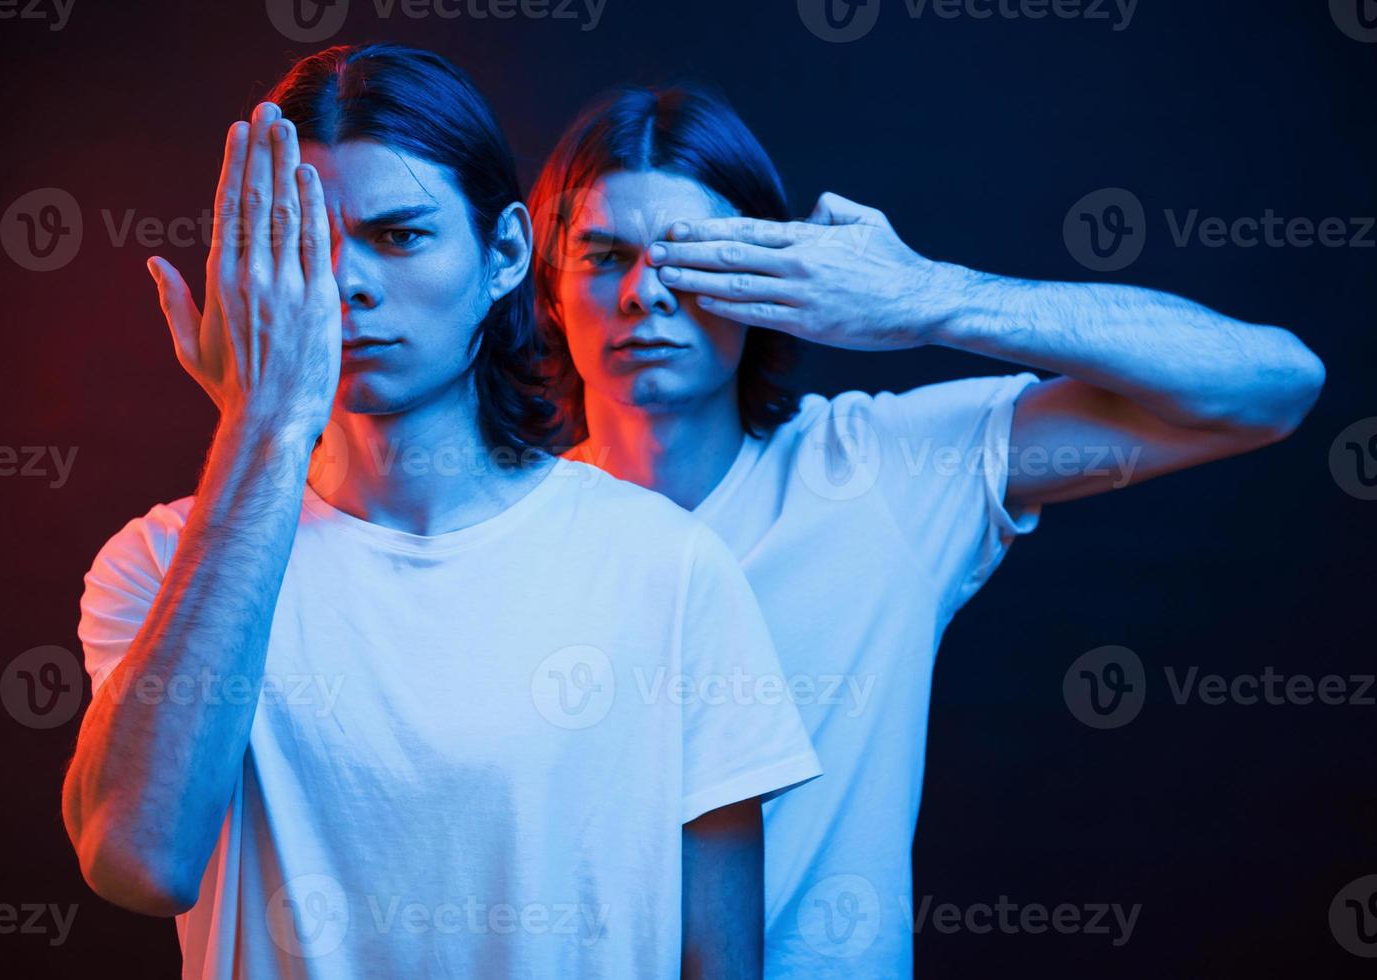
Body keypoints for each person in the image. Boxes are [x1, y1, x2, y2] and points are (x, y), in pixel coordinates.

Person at [528, 84, 1326, 977]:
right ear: (551, 290)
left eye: (696, 256)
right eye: (603, 255)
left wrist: (927, 297)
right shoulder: (501, 526)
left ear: (770, 271)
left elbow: (1272, 388)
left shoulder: (880, 474)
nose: (646, 293)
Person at [62, 47, 820, 979]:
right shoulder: (160, 560)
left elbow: (721, 959)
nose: (347, 284)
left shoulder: (666, 567)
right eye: (308, 241)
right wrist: (265, 428)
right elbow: (139, 860)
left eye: (399, 234)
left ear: (505, 253)